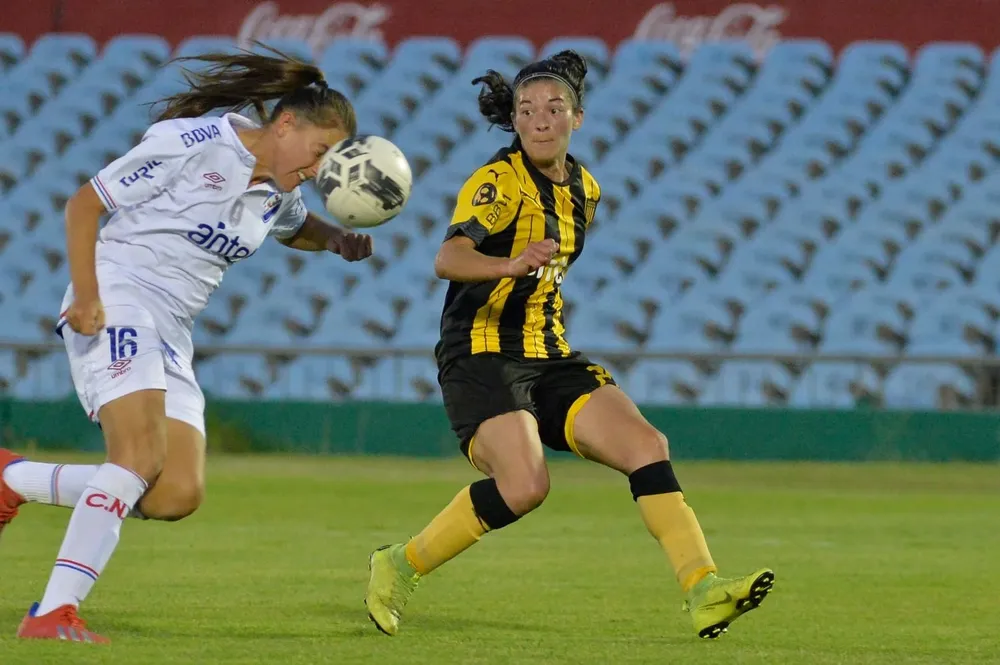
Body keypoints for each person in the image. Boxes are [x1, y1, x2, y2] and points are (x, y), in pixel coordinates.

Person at [364, 50, 774, 640]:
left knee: (646, 444)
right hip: (481, 353)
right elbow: (447, 258)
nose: (539, 119)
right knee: (526, 486)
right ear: (515, 120)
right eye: (527, 110)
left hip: (549, 353)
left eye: (554, 108)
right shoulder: (497, 183)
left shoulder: (585, 189)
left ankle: (704, 589)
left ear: (576, 118)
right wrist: (510, 262)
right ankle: (399, 564)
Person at [0, 48, 372, 643]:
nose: (322, 168)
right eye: (321, 152)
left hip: (172, 329)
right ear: (285, 124)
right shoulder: (195, 142)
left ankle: (13, 480)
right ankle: (51, 612)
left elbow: (294, 225)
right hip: (118, 294)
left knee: (175, 492)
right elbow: (84, 204)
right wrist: (90, 296)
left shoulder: (278, 186)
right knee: (139, 456)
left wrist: (337, 241)